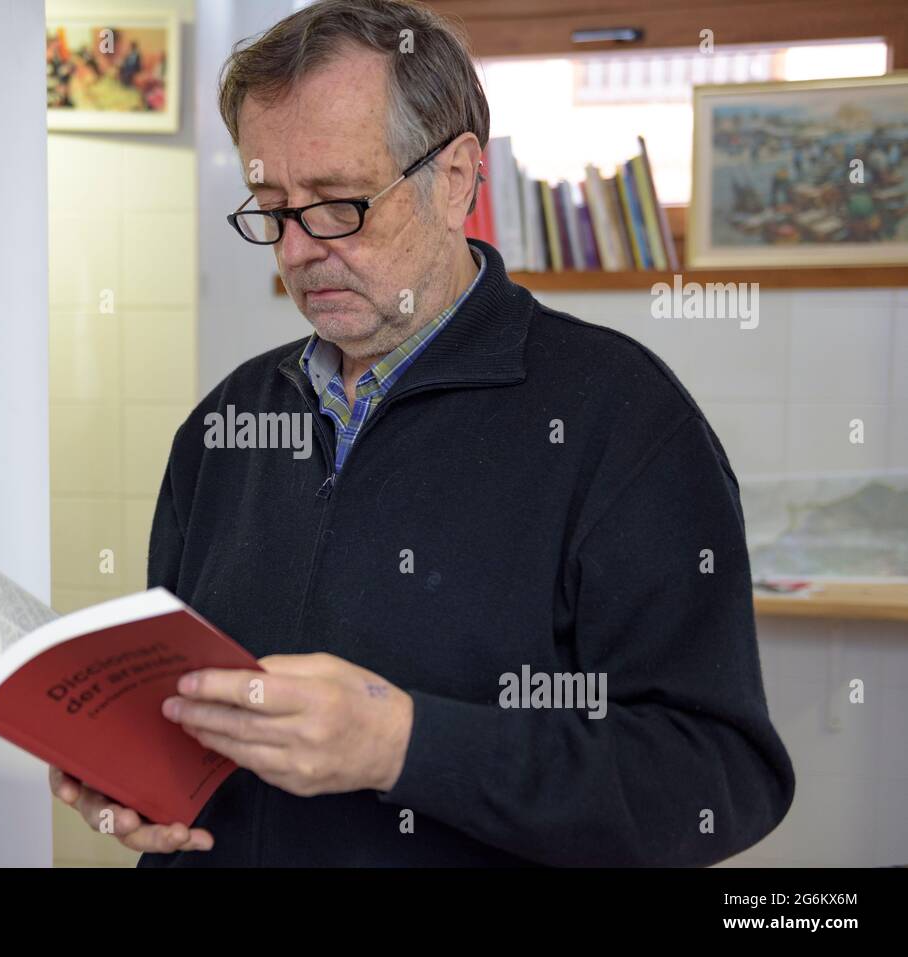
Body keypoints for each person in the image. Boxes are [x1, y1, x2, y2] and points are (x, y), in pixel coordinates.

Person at [50, 0, 794, 867]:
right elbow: (185, 715)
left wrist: (405, 746)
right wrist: (134, 776)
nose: (297, 249)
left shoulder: (623, 419)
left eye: (338, 204)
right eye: (271, 207)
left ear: (456, 178)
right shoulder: (226, 422)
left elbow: (719, 780)